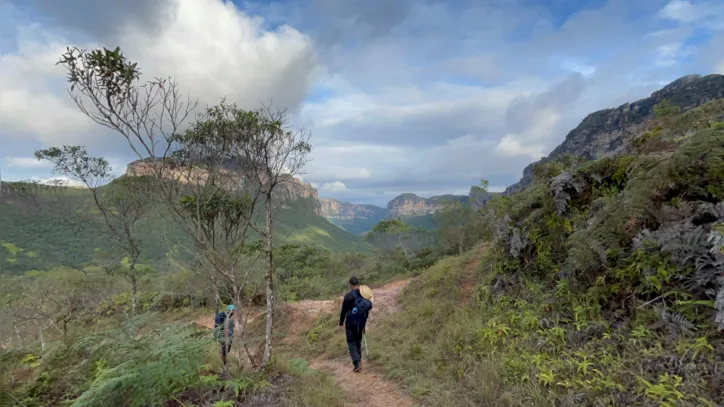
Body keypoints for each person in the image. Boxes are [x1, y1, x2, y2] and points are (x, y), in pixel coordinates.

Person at [339, 276, 373, 372]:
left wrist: (341, 322)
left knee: (351, 341)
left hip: (351, 322)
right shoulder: (364, 294)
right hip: (361, 320)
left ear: (350, 284)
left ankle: (357, 362)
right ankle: (359, 360)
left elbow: (344, 311)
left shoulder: (348, 296)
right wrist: (364, 323)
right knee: (358, 340)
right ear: (358, 283)